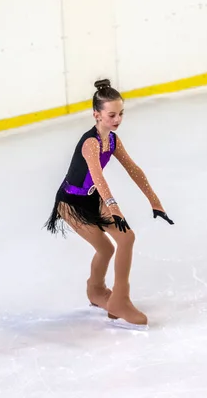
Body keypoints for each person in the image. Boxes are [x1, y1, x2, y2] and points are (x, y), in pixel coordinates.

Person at [45, 79, 174, 330]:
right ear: (97, 115)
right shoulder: (90, 143)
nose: (117, 119)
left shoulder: (112, 141)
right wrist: (114, 208)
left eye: (121, 114)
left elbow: (134, 170)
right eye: (112, 114)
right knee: (106, 249)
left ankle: (118, 299)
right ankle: (98, 292)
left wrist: (155, 202)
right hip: (71, 202)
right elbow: (98, 176)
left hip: (93, 196)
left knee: (126, 238)